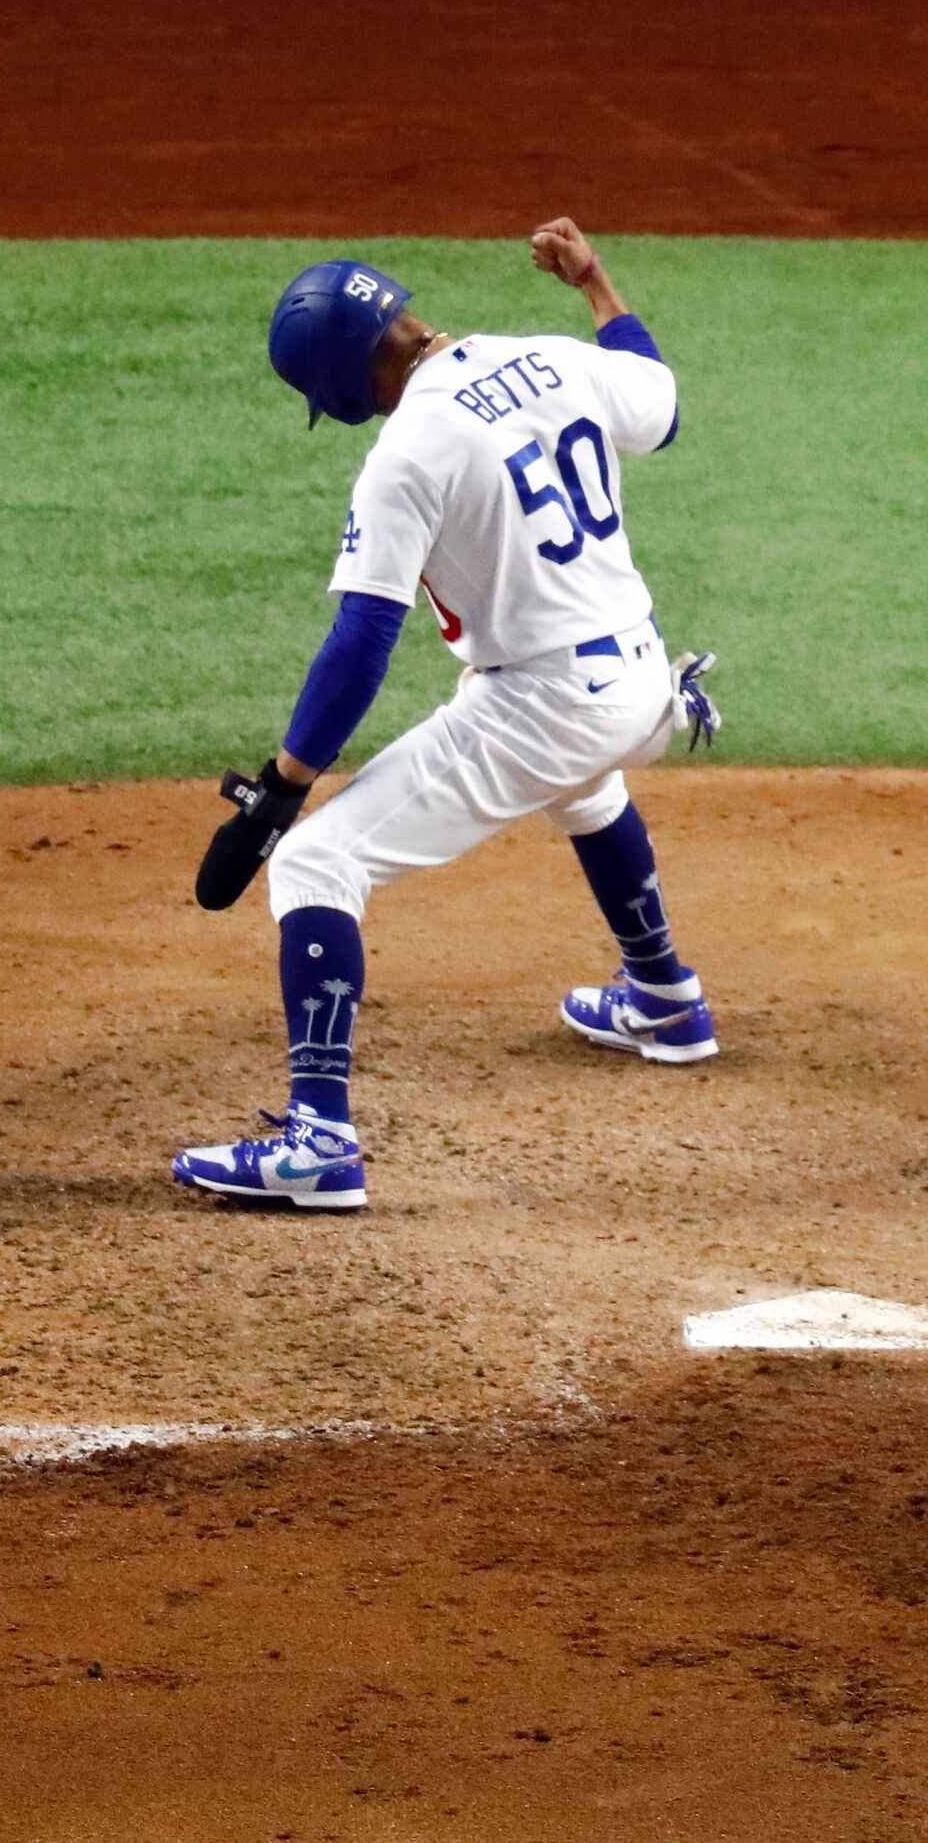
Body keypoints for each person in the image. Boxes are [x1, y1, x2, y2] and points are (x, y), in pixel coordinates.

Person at [172, 219, 724, 1211]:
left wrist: (280, 793)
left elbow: (362, 641)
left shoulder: (406, 454)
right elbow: (664, 407)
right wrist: (597, 286)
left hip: (546, 702)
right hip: (644, 682)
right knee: (585, 781)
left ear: (340, 390)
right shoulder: (546, 356)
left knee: (315, 861)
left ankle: (318, 1141)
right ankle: (664, 998)